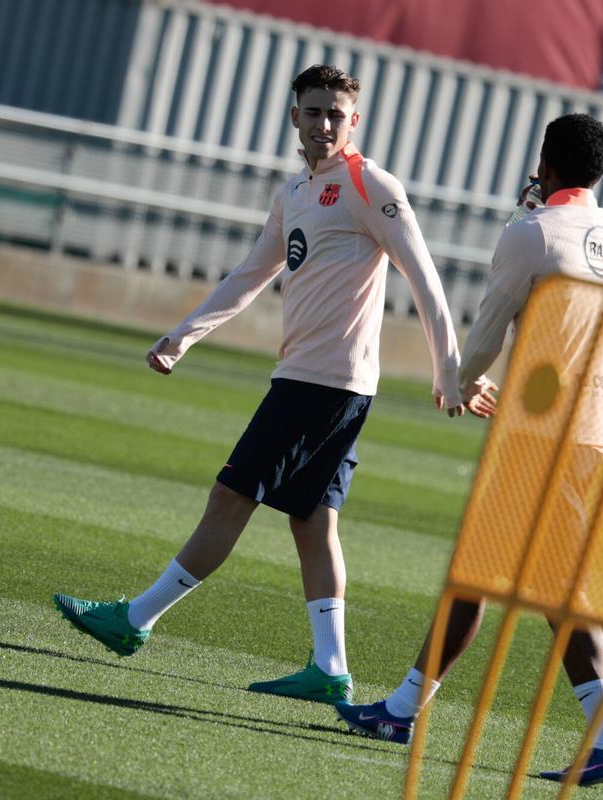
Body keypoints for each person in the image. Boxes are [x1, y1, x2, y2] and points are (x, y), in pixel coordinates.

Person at [52, 64, 465, 705]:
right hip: (318, 379)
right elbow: (250, 274)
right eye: (313, 111)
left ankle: (135, 621)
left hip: (324, 383)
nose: (324, 123)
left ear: (354, 121)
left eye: (336, 113)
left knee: (229, 499)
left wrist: (448, 368)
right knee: (312, 521)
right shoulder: (294, 193)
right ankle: (330, 668)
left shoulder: (369, 183)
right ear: (294, 116)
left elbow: (424, 276)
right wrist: (185, 334)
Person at [334, 113, 603, 786]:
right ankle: (407, 708)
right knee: (517, 580)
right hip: (589, 429)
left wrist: (458, 383)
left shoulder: (528, 233)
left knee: (542, 589)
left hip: (536, 432)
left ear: (546, 163)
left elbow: (489, 330)